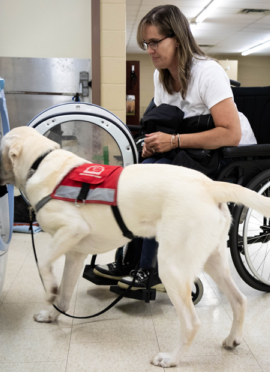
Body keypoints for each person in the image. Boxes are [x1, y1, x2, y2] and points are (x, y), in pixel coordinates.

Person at [94, 4, 256, 290]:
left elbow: (231, 133)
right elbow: (167, 125)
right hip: (189, 153)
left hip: (224, 154)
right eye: (146, 43)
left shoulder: (208, 73)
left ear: (177, 39)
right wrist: (153, 145)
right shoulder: (162, 76)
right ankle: (130, 259)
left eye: (155, 42)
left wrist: (174, 141)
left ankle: (151, 268)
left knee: (160, 184)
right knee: (139, 175)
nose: (150, 49)